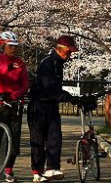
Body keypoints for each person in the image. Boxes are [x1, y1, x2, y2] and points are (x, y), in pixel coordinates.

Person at [28, 35, 81, 182]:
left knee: (55, 138)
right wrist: (70, 98)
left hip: (51, 106)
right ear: (60, 49)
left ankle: (51, 168)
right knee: (38, 141)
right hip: (38, 106)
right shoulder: (48, 63)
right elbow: (52, 89)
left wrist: (70, 98)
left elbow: (55, 90)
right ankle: (37, 171)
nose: (70, 55)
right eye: (68, 52)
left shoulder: (59, 64)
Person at [0, 30, 30, 183]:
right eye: (10, 46)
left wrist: (16, 95)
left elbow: (25, 83)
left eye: (15, 46)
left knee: (14, 137)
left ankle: (8, 171)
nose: (13, 48)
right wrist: (8, 68)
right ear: (3, 46)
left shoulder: (20, 63)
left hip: (14, 102)